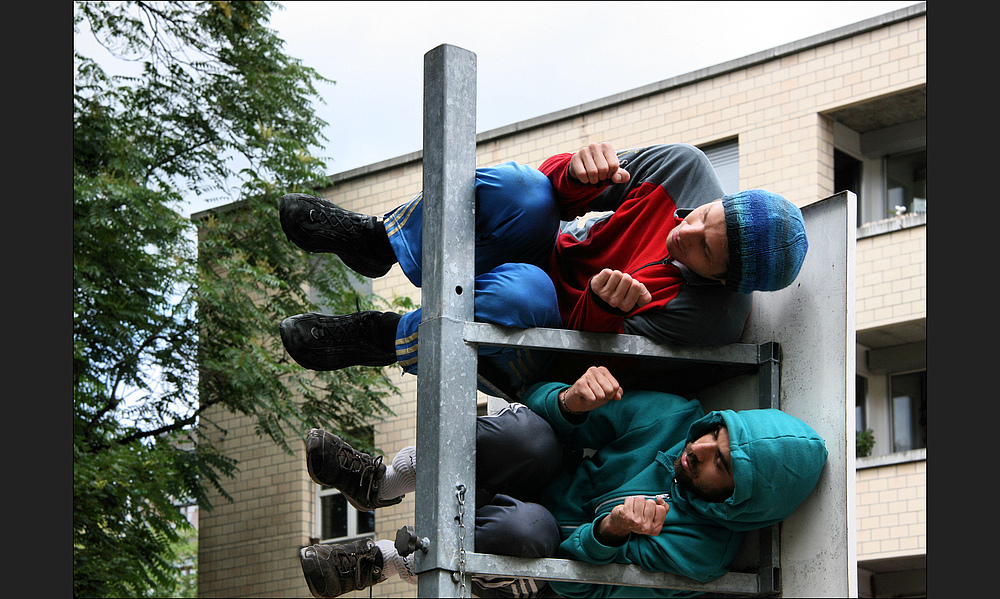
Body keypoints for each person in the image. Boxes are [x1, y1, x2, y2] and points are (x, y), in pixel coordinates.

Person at [277, 142, 809, 396]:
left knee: (525, 294)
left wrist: (602, 305)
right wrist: (580, 175)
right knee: (525, 189)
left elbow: (586, 351)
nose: (684, 231)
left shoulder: (709, 318)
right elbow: (560, 188)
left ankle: (381, 338)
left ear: (721, 280)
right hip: (544, 255)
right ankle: (379, 243)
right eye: (706, 216)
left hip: (546, 348)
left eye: (704, 252)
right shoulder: (685, 168)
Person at [297, 366, 828, 598]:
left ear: (741, 499)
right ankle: (384, 480)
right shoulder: (674, 417)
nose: (703, 449)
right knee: (533, 436)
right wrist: (572, 401)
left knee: (532, 531)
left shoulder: (701, 550)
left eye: (725, 464)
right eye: (719, 434)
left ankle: (386, 560)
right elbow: (538, 400)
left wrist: (609, 534)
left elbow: (586, 591)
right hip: (530, 481)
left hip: (544, 573)